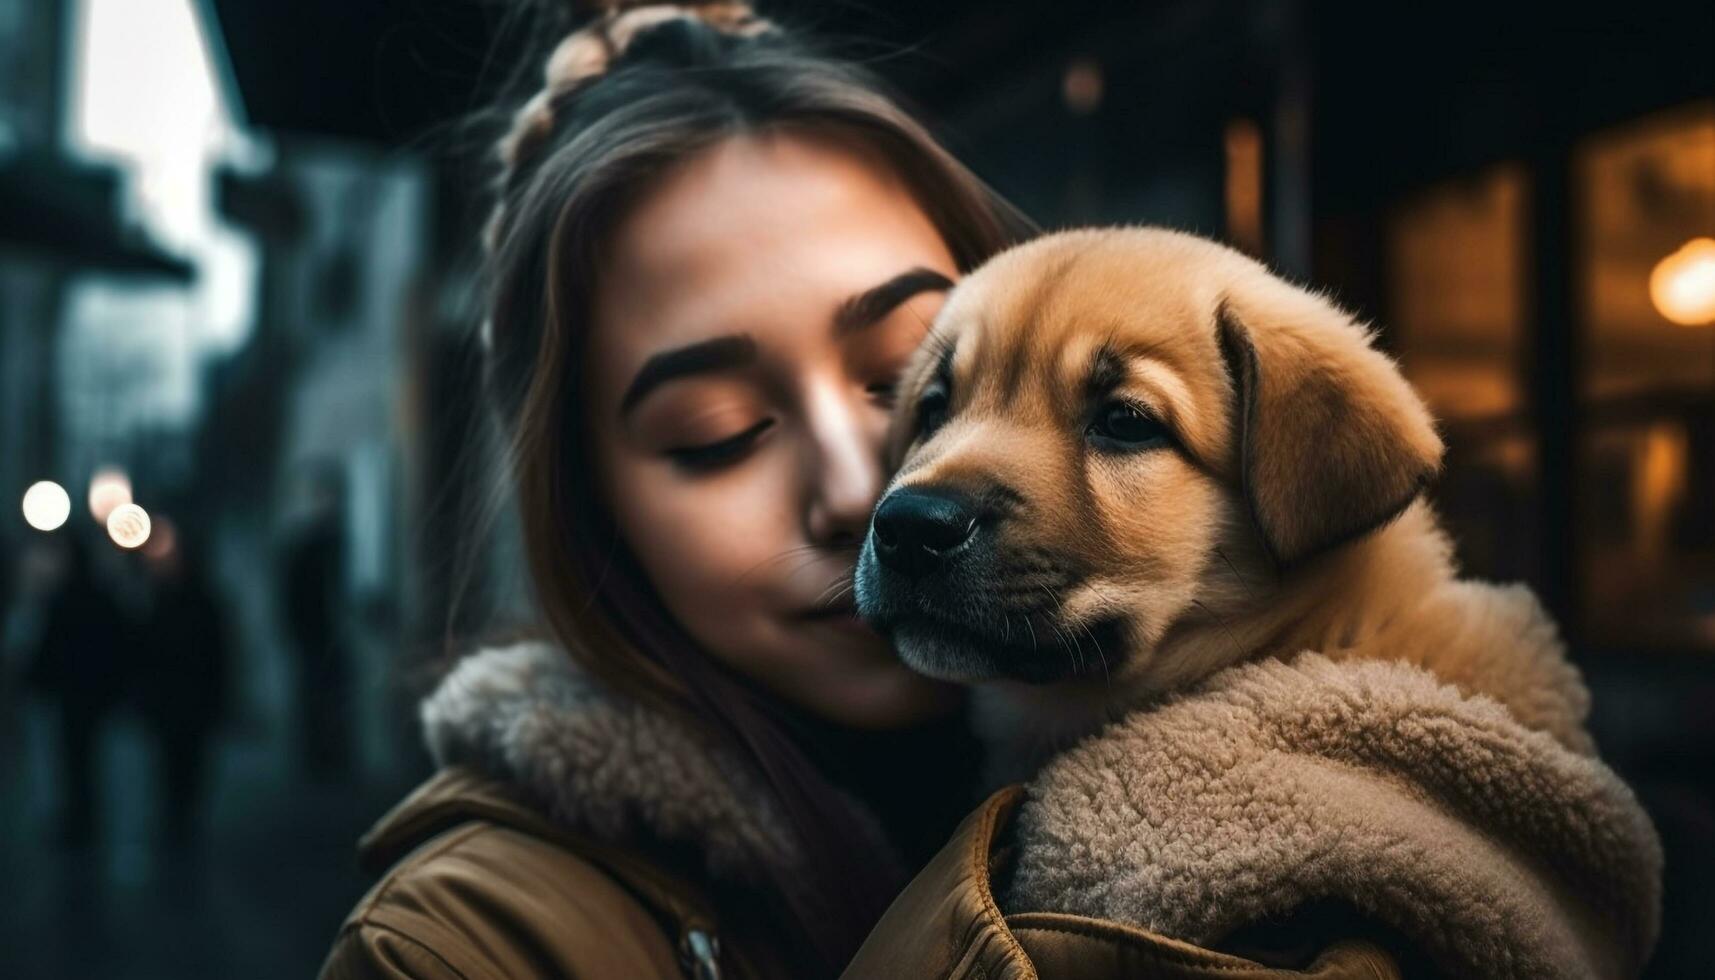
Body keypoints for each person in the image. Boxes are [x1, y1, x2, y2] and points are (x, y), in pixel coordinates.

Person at [323, 4, 1657, 979]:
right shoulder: (465, 946)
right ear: (590, 517)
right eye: (717, 431)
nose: (880, 488)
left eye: (904, 378)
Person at [25, 536, 129, 849]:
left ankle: (79, 816)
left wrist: (38, 681)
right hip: (93, 691)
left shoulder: (63, 599)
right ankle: (88, 815)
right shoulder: (100, 598)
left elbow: (49, 646)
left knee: (74, 757)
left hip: (73, 692)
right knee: (88, 756)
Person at [137, 537, 233, 849]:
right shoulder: (203, 602)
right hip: (186, 698)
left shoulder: (169, 601)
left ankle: (178, 816)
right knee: (186, 761)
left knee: (178, 762)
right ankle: (183, 816)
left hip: (178, 698)